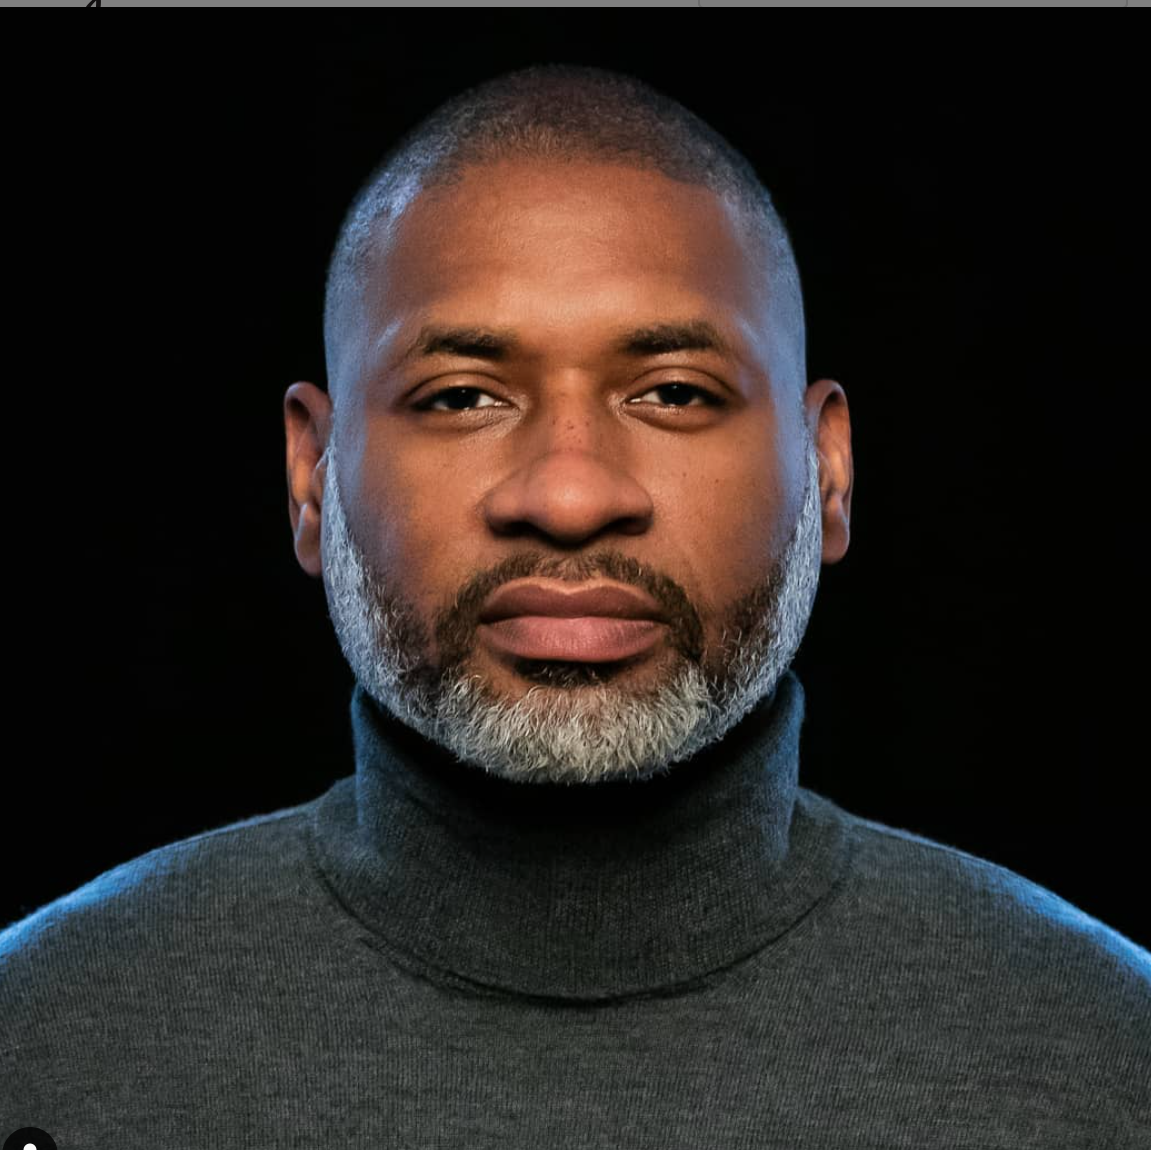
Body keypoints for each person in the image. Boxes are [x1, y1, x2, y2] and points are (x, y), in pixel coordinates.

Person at [2, 64, 1147, 1147]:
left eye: (673, 392)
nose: (566, 494)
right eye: (458, 395)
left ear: (827, 469)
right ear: (311, 476)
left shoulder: (1111, 1057)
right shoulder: (36, 1042)